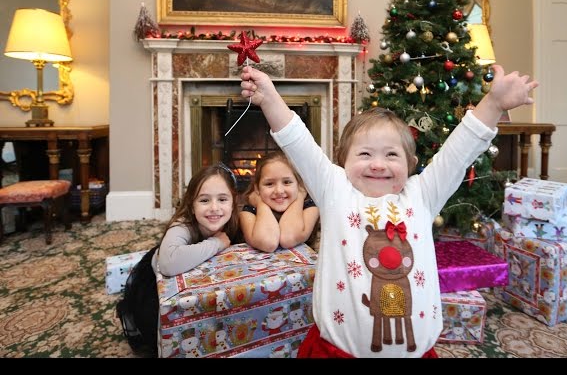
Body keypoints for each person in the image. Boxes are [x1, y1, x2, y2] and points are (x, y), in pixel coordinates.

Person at [240, 64, 538, 358]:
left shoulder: (422, 194)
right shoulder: (335, 190)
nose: (378, 164)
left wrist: (494, 103)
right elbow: (299, 143)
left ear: (410, 164)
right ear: (343, 161)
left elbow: (460, 151)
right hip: (336, 352)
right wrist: (269, 98)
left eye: (392, 154)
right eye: (365, 154)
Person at [117, 163, 240, 357]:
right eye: (204, 200)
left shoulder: (235, 220)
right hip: (156, 286)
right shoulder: (183, 225)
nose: (214, 208)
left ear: (233, 202)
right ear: (192, 205)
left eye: (223, 199)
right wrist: (217, 243)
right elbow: (169, 263)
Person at [239, 150, 320, 253]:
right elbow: (268, 243)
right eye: (269, 184)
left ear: (299, 185)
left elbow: (288, 238)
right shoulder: (249, 212)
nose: (279, 191)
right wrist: (260, 204)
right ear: (257, 189)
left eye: (287, 182)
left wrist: (299, 197)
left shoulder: (310, 207)